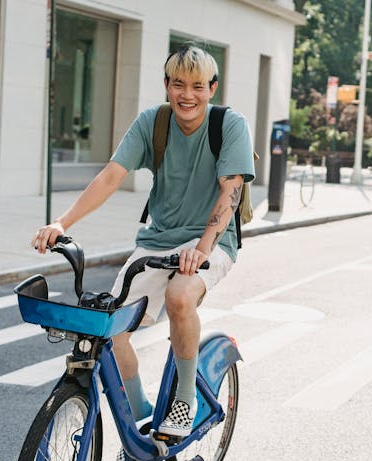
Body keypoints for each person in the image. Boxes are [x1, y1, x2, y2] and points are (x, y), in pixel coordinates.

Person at [31, 43, 255, 439]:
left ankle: (184, 400)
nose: (188, 95)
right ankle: (140, 415)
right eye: (179, 84)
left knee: (181, 296)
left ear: (212, 88)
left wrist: (201, 251)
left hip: (211, 242)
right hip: (157, 241)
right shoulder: (153, 123)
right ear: (167, 85)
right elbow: (111, 177)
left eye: (198, 86)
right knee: (110, 330)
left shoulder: (230, 125)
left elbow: (230, 192)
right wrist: (61, 222)